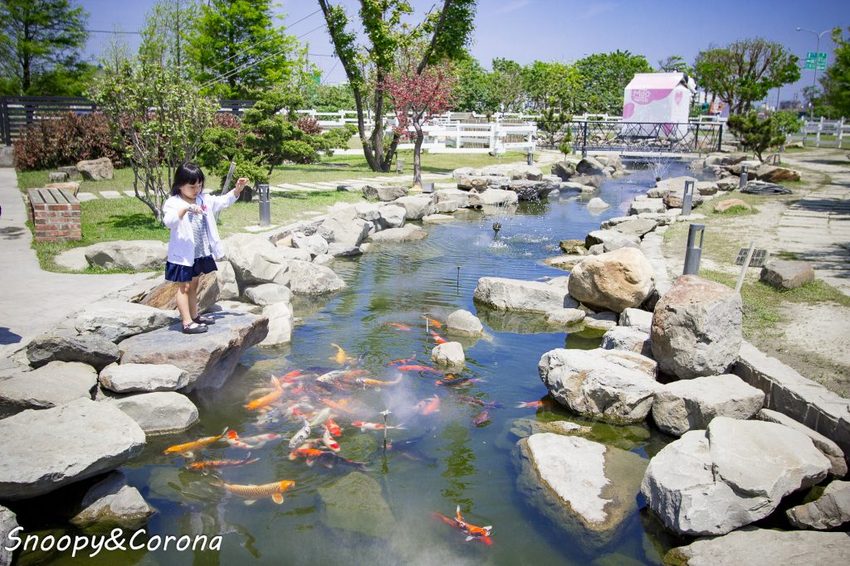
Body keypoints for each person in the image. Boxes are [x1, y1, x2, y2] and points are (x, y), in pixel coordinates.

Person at [163, 162, 248, 334]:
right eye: (192, 186)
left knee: (194, 285)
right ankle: (186, 322)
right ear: (180, 185)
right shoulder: (174, 202)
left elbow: (223, 201)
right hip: (183, 255)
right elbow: (169, 222)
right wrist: (185, 209)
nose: (196, 189)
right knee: (184, 287)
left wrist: (237, 190)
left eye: (199, 185)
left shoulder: (204, 199)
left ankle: (195, 316)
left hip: (199, 252)